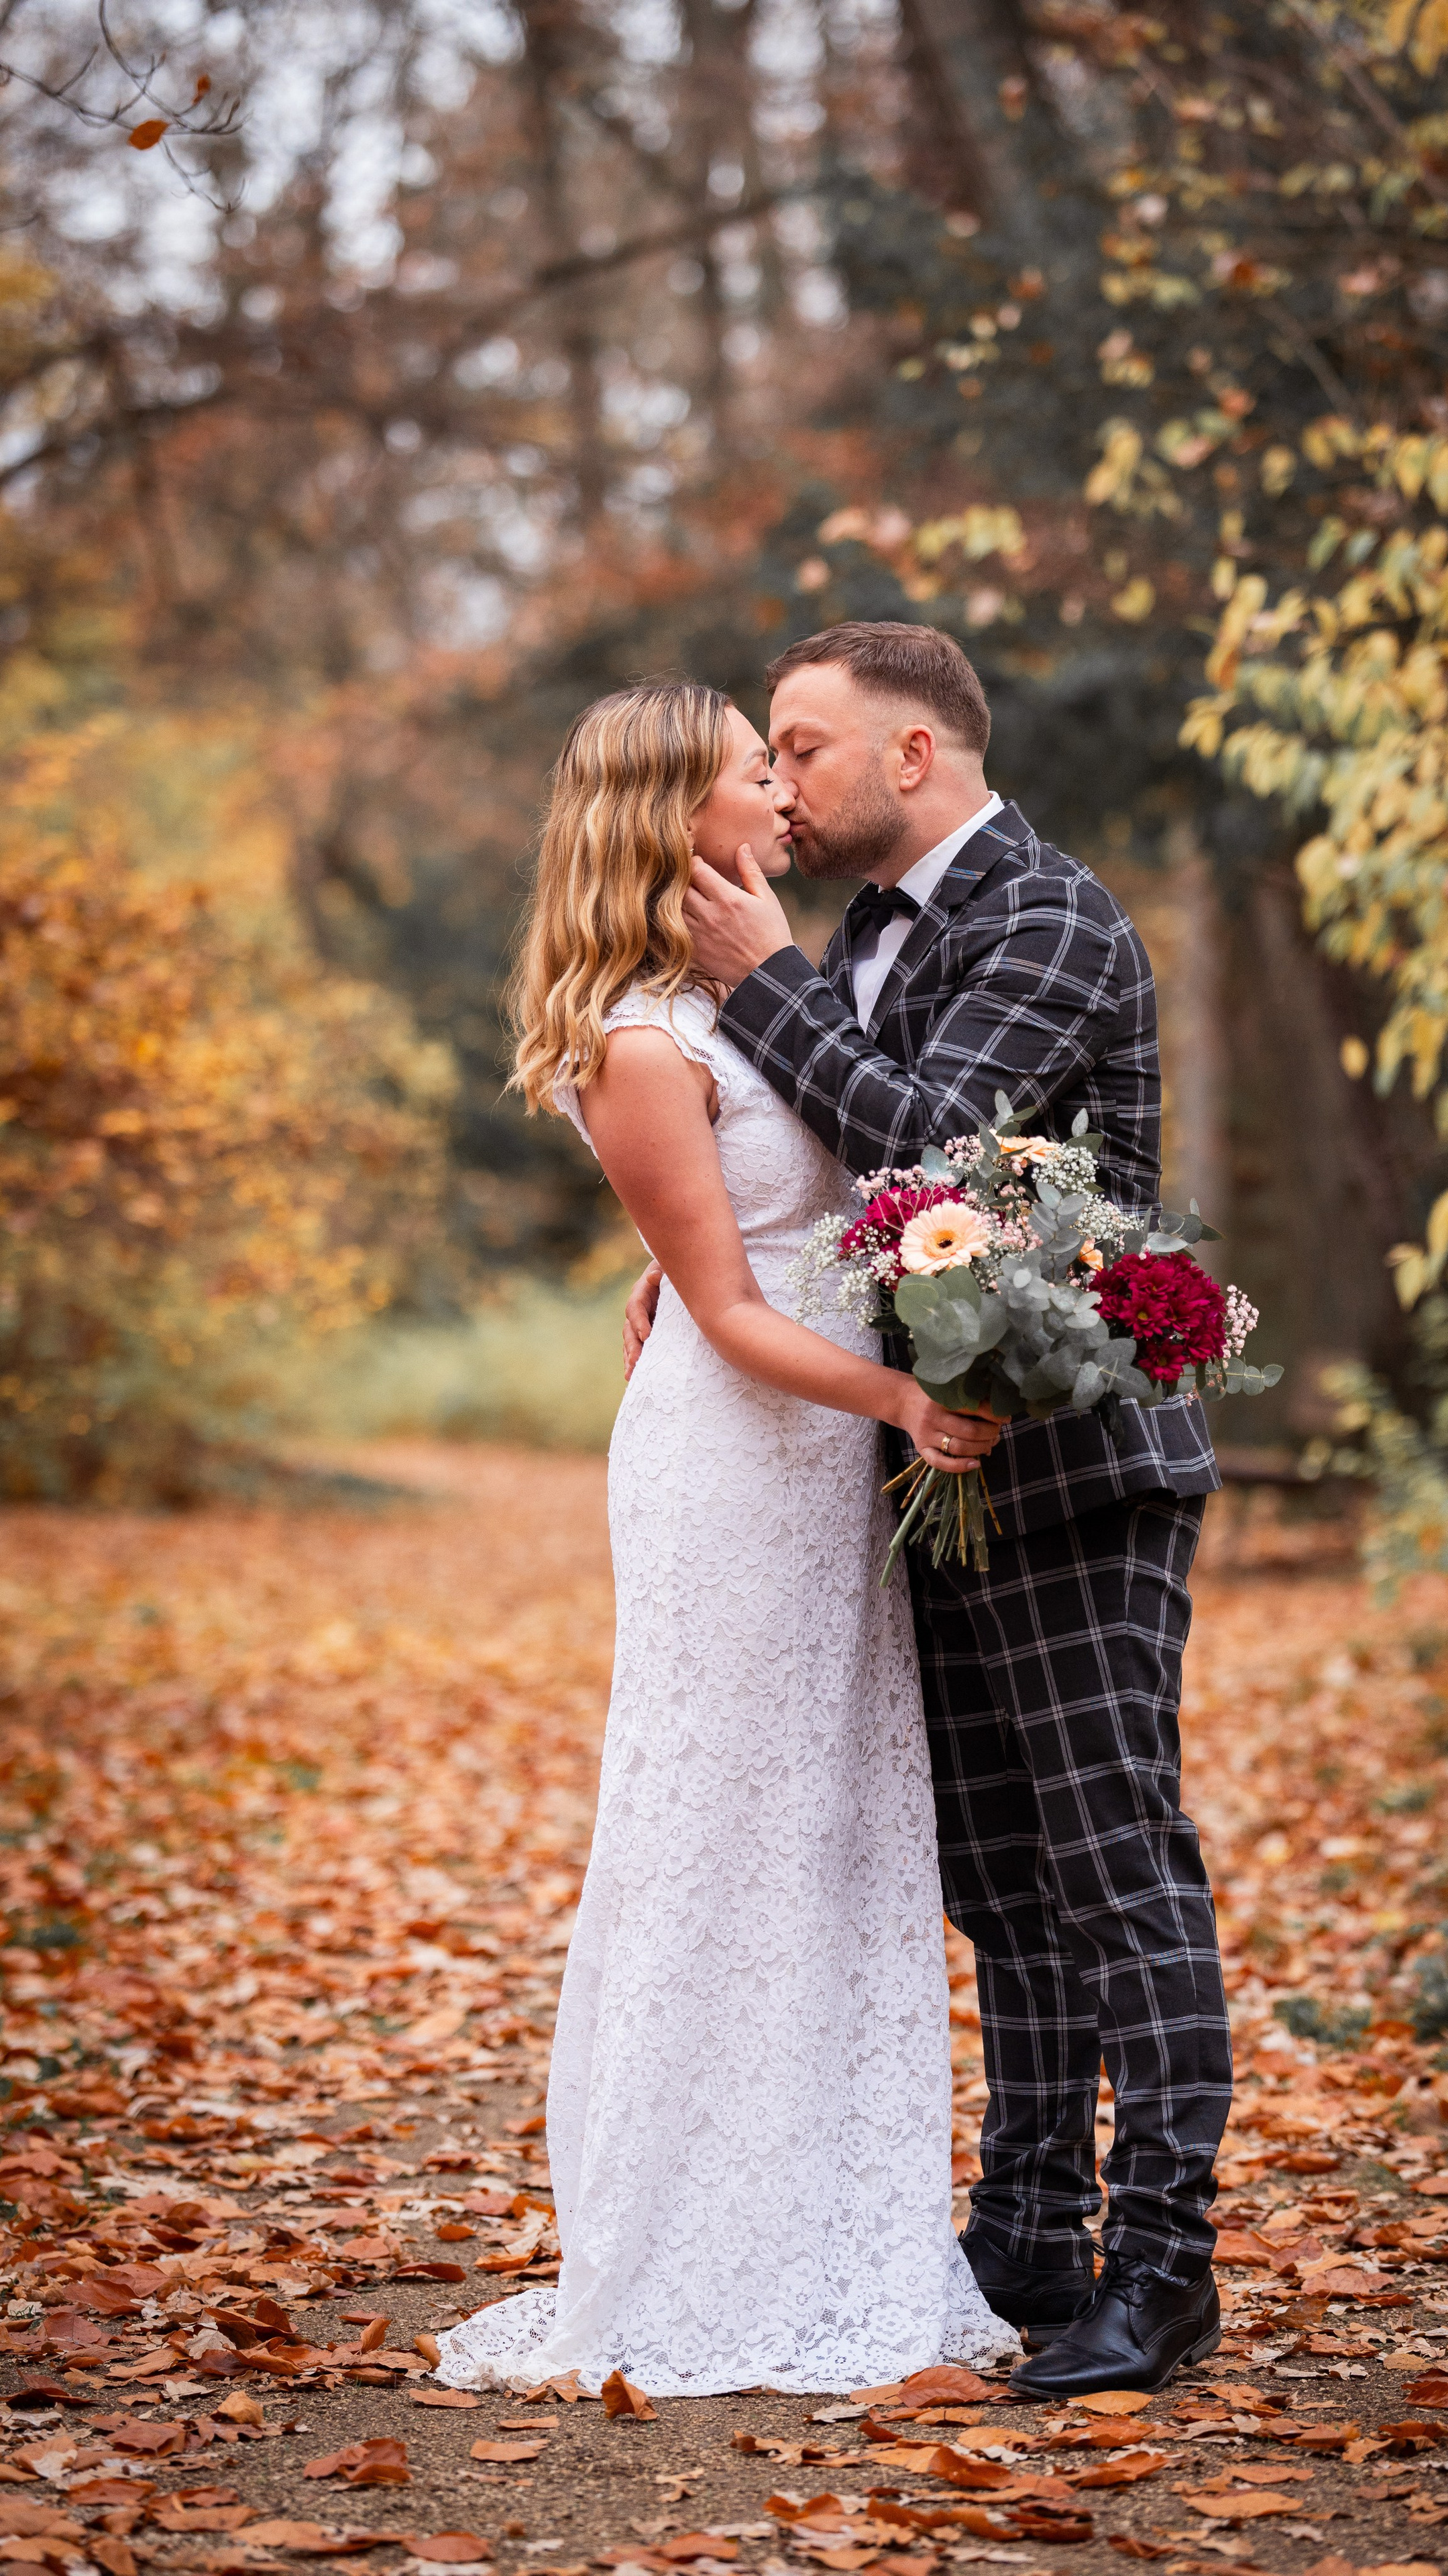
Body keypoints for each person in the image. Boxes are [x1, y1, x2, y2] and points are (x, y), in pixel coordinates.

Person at [627, 622, 1230, 2398]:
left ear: (912, 758)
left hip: (1078, 1473)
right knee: (1005, 1883)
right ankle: (1029, 2234)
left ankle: (1165, 2266)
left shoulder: (1043, 913)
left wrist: (760, 985)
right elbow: (838, 1184)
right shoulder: (877, 940)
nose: (781, 785)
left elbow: (936, 1155)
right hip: (933, 1474)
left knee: (1120, 1869)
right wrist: (699, 1260)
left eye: (802, 748)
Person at [431, 680, 1013, 2399]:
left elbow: (825, 1187)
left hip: (813, 1461)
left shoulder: (746, 991)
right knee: (721, 1825)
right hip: (741, 1459)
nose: (780, 793)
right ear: (671, 814)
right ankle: (688, 2244)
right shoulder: (632, 1033)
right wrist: (902, 1405)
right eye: (753, 772)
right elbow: (730, 1313)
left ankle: (834, 2216)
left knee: (827, 1825)